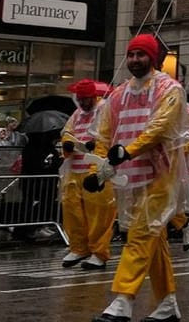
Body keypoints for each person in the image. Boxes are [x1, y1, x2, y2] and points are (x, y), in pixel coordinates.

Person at [92, 35, 189, 322]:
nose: (135, 59)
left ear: (153, 57)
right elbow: (104, 135)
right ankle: (167, 303)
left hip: (160, 175)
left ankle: (123, 301)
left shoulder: (169, 89)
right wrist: (97, 171)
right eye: (131, 54)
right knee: (153, 237)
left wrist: (129, 150)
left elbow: (160, 128)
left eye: (141, 54)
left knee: (139, 236)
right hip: (129, 178)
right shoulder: (119, 93)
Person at [58, 79, 112, 271]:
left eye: (85, 98)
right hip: (74, 170)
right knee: (73, 212)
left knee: (98, 215)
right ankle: (79, 247)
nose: (81, 102)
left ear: (93, 96)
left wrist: (97, 169)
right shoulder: (77, 114)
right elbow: (67, 132)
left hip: (94, 170)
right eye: (79, 99)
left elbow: (106, 138)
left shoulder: (105, 111)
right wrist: (68, 144)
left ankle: (99, 252)